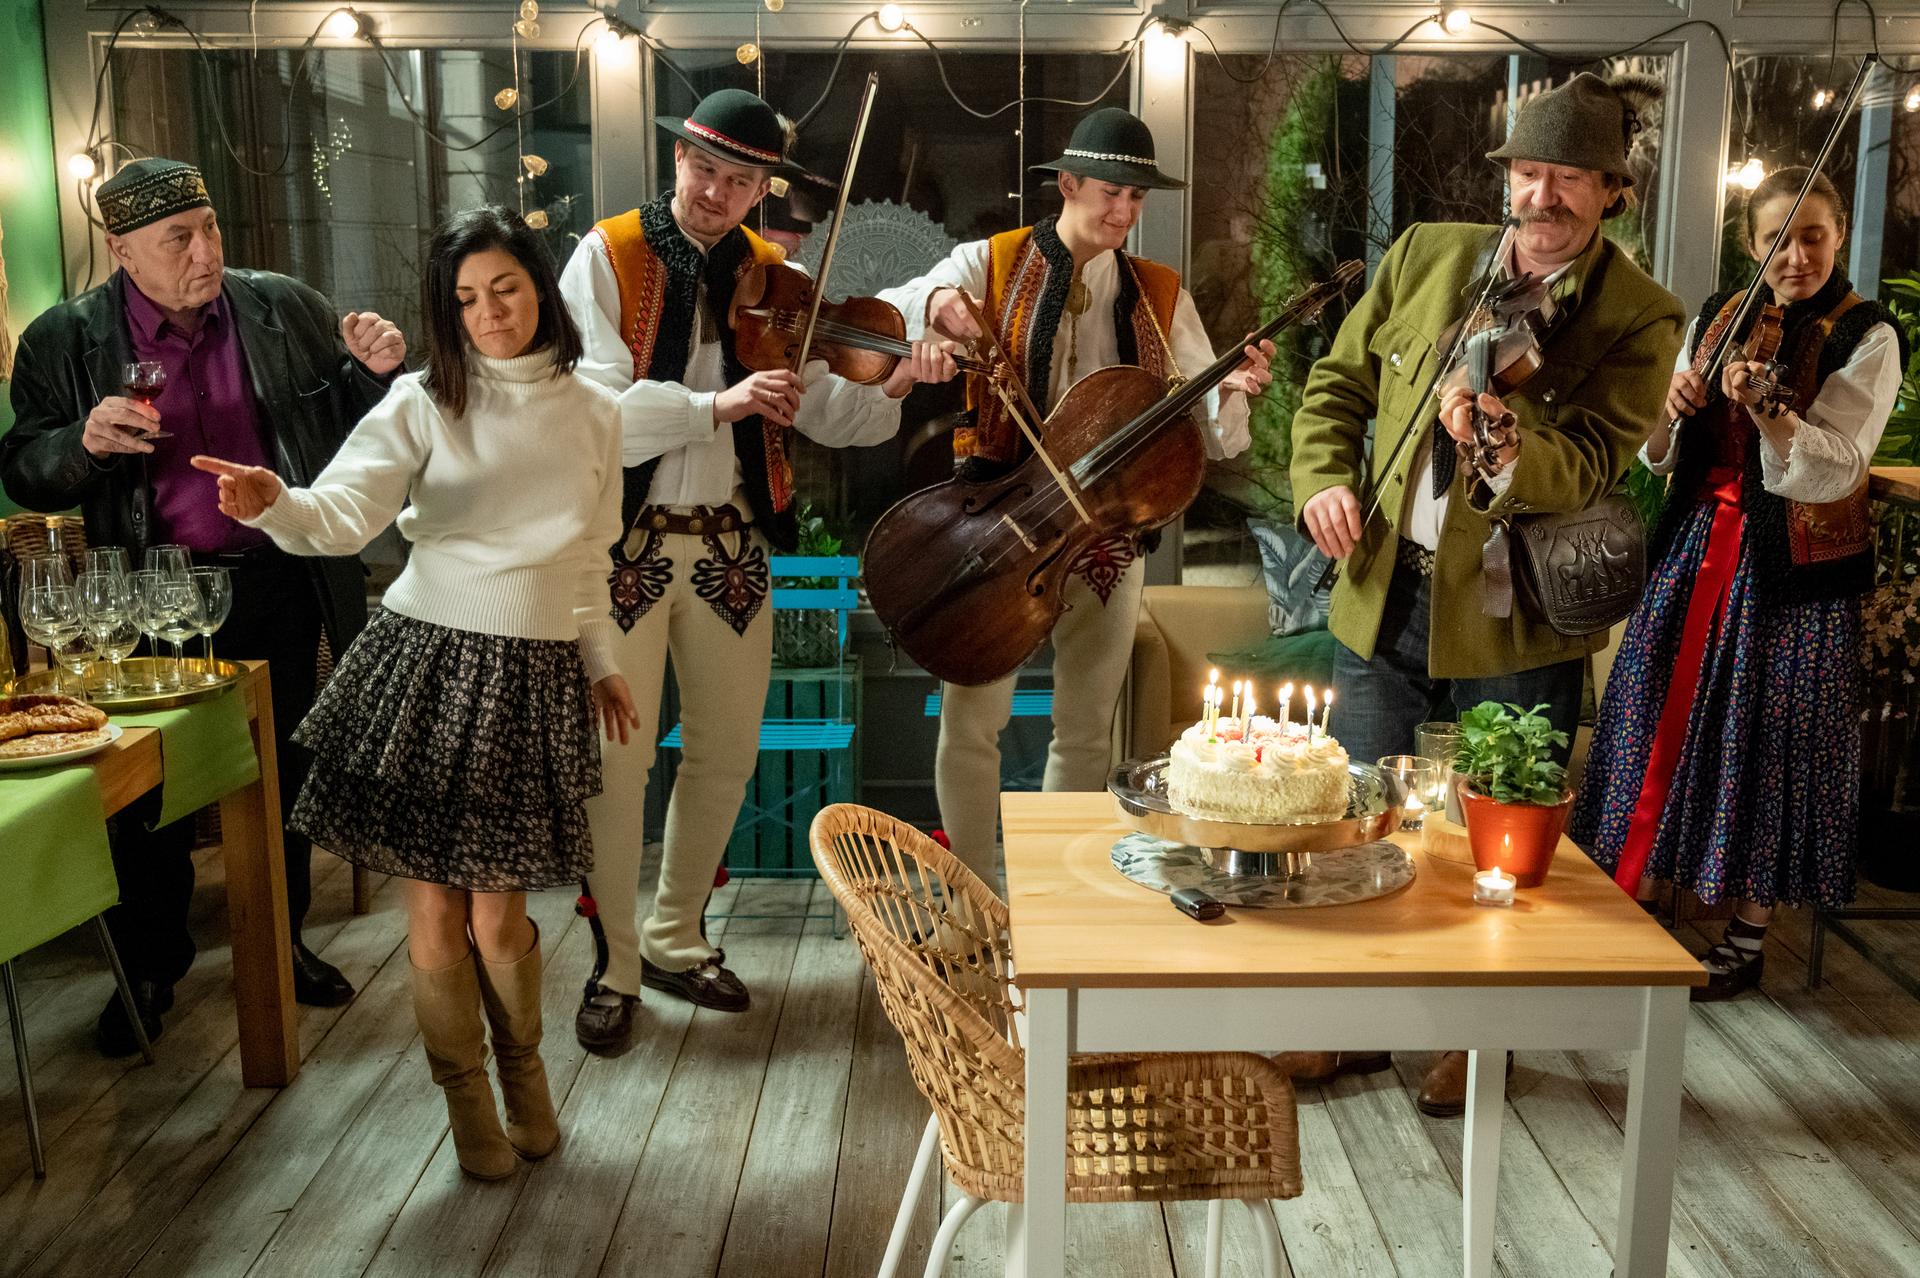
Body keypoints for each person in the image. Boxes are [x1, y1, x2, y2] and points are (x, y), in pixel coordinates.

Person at [191, 204, 637, 1178]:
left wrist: (602, 661)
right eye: (465, 299)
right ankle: (466, 1102)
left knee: (500, 915)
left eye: (504, 289)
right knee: (434, 908)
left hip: (532, 681)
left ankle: (524, 1077)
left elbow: (590, 556)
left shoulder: (598, 411)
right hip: (426, 665)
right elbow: (346, 514)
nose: (488, 312)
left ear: (541, 288)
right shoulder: (422, 400)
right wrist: (277, 503)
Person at [1287, 74, 1684, 1115]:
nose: (1543, 197)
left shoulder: (1640, 314)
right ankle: (1346, 1017)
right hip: (1385, 593)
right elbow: (1338, 383)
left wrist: (1509, 449)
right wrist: (1323, 477)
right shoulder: (1427, 254)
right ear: (1507, 179)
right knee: (1359, 820)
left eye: (1570, 179)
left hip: (1515, 619)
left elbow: (1591, 460)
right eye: (1529, 173)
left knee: (1503, 841)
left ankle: (1479, 1033)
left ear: (1613, 192)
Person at [559, 89, 956, 1051]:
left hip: (734, 543)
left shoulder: (780, 279)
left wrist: (896, 380)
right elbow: (594, 412)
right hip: (623, 544)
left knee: (727, 750)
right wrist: (718, 405)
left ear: (762, 189)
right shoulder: (606, 255)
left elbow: (830, 414)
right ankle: (613, 966)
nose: (718, 193)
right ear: (678, 159)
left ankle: (675, 937)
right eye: (705, 170)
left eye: (740, 181)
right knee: (618, 761)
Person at [1, 158, 404, 1053]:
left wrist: (376, 376)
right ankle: (150, 968)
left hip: (275, 576)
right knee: (150, 798)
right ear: (123, 251)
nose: (204, 251)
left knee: (281, 770)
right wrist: (83, 443)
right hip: (148, 590)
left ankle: (280, 942)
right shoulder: (63, 339)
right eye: (177, 238)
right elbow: (24, 468)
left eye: (210, 227)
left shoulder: (284, 306)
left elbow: (349, 430)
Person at [880, 106, 1274, 889]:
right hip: (997, 527)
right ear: (1067, 184)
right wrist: (935, 307)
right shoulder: (989, 261)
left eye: (1136, 197)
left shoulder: (1159, 292)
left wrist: (1231, 388)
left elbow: (1218, 436)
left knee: (1087, 727)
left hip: (1107, 534)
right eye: (1109, 192)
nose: (1123, 212)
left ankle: (1047, 893)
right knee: (972, 722)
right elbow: (902, 299)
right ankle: (970, 891)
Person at [1572, 168, 1904, 1001]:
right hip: (1695, 547)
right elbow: (1658, 453)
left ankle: (1747, 936)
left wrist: (1768, 409)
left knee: (1769, 740)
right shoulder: (1721, 312)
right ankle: (1639, 900)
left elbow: (1840, 466)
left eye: (1813, 236)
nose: (1796, 256)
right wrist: (1672, 406)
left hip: (1793, 577)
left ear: (1837, 234)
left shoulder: (1867, 333)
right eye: (1776, 240)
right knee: (1651, 709)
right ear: (1751, 245)